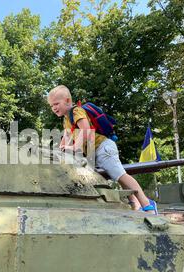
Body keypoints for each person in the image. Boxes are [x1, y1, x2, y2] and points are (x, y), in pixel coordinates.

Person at [47, 85, 158, 214]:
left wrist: (74, 147)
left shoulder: (76, 111)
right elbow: (66, 137)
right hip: (93, 153)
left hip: (102, 148)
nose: (54, 108)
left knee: (121, 176)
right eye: (51, 106)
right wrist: (60, 150)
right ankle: (134, 202)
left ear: (67, 101)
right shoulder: (67, 119)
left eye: (56, 104)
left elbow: (86, 130)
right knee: (114, 177)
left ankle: (148, 204)